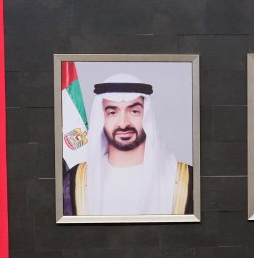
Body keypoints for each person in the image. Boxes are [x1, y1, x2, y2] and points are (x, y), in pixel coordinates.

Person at [64, 76, 193, 216]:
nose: (123, 124)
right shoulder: (74, 181)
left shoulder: (185, 180)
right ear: (101, 119)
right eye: (112, 113)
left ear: (147, 116)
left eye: (134, 111)